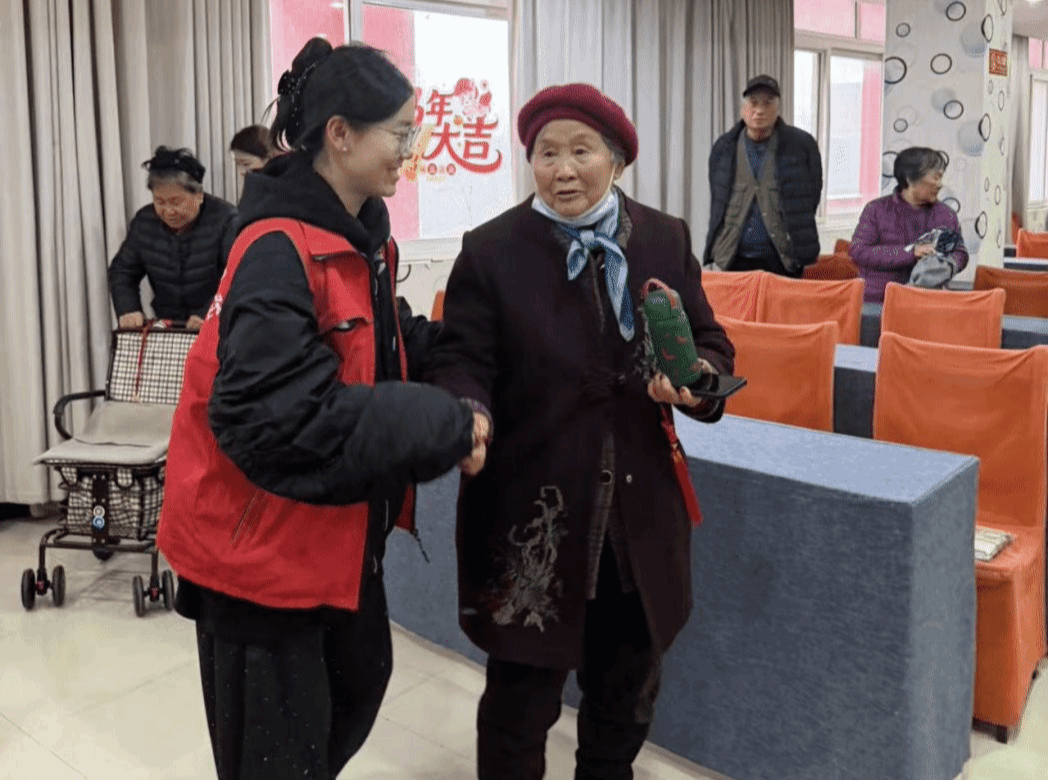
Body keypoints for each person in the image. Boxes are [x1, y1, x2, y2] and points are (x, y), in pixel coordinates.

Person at [156, 38, 482, 780]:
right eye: (399, 133)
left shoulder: (356, 236)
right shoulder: (277, 249)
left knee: (357, 688)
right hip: (257, 560)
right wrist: (442, 423)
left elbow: (387, 339)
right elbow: (274, 417)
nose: (410, 150)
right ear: (340, 134)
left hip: (332, 541)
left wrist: (476, 355)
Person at [424, 83, 735, 780]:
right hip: (533, 512)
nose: (562, 170)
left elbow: (709, 342)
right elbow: (461, 357)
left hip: (637, 515)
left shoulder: (664, 237)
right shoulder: (492, 250)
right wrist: (468, 408)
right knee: (518, 704)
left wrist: (697, 377)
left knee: (626, 694)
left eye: (581, 152)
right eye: (546, 154)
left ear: (617, 161)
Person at [704, 74, 822, 276]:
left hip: (785, 259)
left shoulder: (802, 145)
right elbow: (718, 197)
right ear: (743, 109)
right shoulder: (724, 147)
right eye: (753, 103)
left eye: (767, 103)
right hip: (734, 258)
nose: (759, 110)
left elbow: (812, 195)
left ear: (778, 109)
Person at [108, 147, 237, 330]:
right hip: (168, 325)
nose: (168, 211)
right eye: (159, 202)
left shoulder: (227, 220)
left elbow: (236, 277)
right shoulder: (145, 222)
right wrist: (128, 309)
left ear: (199, 195)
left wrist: (208, 314)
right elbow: (122, 271)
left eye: (176, 202)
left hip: (220, 326)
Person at [850, 147, 969, 302]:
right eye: (935, 177)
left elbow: (960, 252)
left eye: (941, 177)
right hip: (879, 299)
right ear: (910, 178)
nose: (940, 184)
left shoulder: (946, 214)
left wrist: (947, 265)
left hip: (928, 298)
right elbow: (859, 251)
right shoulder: (876, 209)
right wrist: (910, 253)